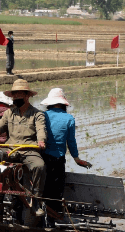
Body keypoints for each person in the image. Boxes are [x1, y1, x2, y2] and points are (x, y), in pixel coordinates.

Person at [0, 79, 47, 217]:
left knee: (39, 166)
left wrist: (41, 141)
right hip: (10, 149)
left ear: (27, 96)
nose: (15, 98)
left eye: (19, 95)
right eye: (14, 95)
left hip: (28, 150)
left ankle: (36, 200)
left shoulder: (37, 114)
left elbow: (41, 129)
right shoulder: (9, 113)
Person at [40, 88, 92, 227]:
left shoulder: (42, 116)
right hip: (57, 159)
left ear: (49, 103)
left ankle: (43, 215)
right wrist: (77, 159)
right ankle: (54, 217)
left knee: (44, 187)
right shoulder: (69, 118)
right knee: (56, 189)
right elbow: (71, 141)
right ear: (63, 104)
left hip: (42, 157)